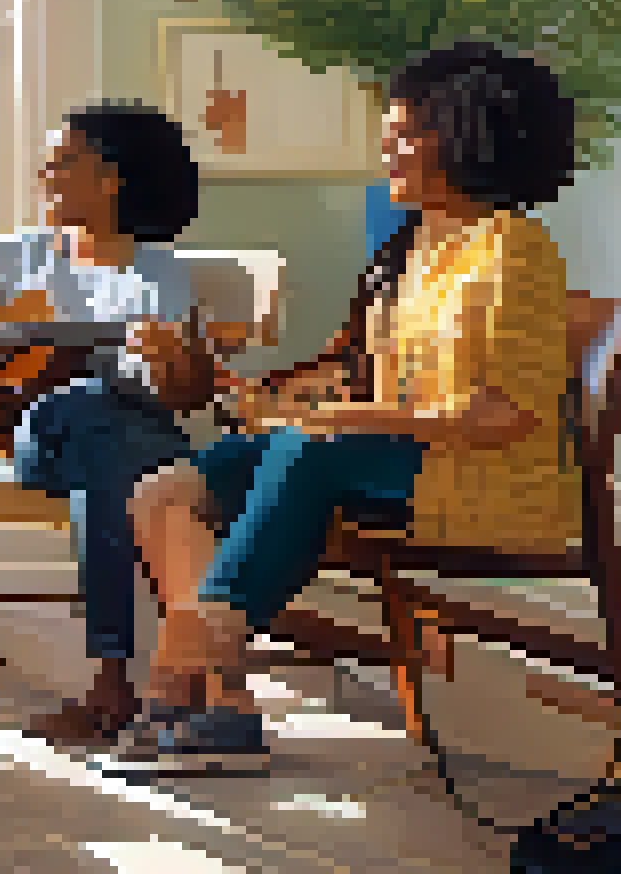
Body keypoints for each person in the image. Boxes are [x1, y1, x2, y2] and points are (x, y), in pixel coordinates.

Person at [103, 41, 579, 776]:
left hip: (484, 479)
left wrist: (354, 421)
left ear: (470, 138)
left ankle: (179, 680)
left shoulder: (513, 250)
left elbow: (505, 417)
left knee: (307, 451)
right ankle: (223, 705)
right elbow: (356, 385)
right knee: (166, 490)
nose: (387, 148)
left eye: (407, 133)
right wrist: (237, 389)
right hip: (389, 460)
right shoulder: (409, 249)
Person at [0, 102, 218, 745]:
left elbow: (184, 395)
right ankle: (188, 672)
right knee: (87, 413)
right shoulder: (21, 254)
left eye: (63, 161)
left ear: (110, 179)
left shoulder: (159, 275)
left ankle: (113, 681)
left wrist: (177, 361)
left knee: (104, 446)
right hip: (40, 436)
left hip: (124, 439)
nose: (45, 173)